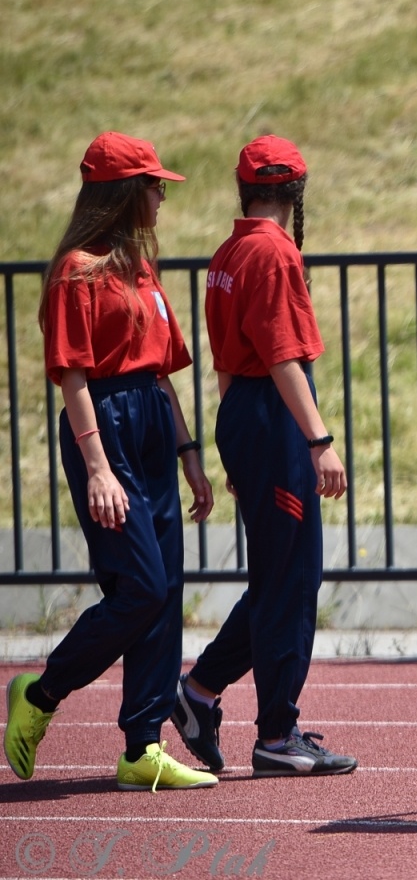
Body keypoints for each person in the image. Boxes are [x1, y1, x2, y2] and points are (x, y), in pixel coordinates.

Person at [4, 132, 217, 792]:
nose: (160, 196)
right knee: (142, 589)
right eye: (153, 185)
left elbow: (162, 374)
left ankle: (142, 747)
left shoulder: (141, 269)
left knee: (167, 593)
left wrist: (190, 456)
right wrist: (97, 467)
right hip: (106, 427)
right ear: (123, 192)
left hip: (152, 426)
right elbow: (71, 377)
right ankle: (40, 694)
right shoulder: (77, 269)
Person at [169, 135, 357, 778]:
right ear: (295, 193)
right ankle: (277, 730)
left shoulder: (229, 251)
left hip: (243, 414)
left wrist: (237, 442)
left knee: (280, 577)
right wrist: (319, 441)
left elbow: (229, 361)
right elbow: (281, 356)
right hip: (273, 420)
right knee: (293, 581)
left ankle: (199, 693)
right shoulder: (274, 252)